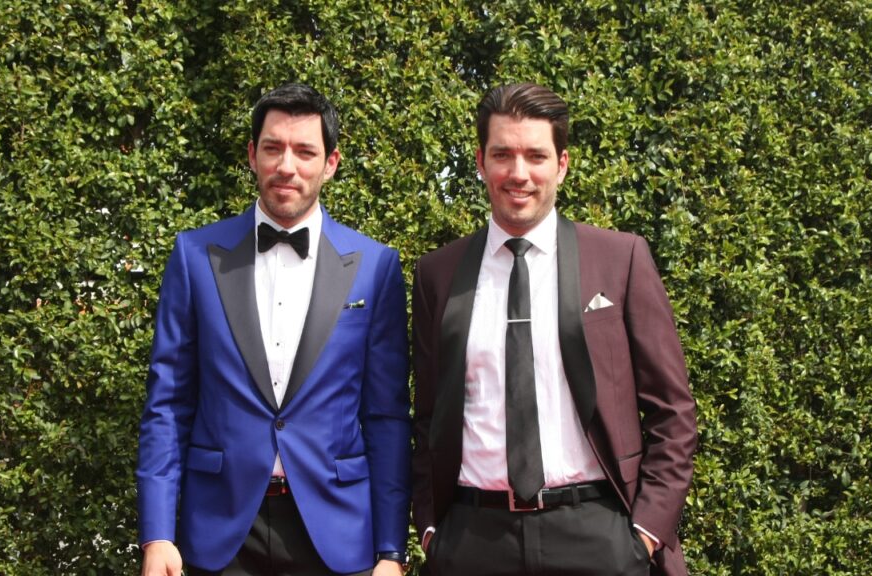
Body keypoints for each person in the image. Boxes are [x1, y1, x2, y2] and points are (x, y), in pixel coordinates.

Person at [411, 82, 697, 576]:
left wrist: (645, 533)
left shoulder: (621, 259)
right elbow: (427, 415)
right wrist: (431, 528)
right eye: (503, 154)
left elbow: (673, 411)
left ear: (562, 164)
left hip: (598, 539)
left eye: (536, 156)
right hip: (472, 542)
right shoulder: (437, 274)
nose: (518, 173)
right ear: (480, 162)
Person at [136, 83, 411, 576]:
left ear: (331, 163)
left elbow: (386, 417)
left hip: (337, 535)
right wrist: (157, 535)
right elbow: (168, 404)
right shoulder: (195, 257)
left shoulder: (376, 267)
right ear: (252, 155)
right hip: (220, 533)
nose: (287, 165)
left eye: (305, 151)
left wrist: (391, 551)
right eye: (273, 148)